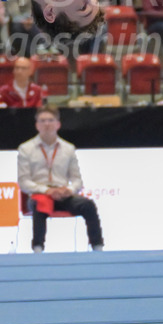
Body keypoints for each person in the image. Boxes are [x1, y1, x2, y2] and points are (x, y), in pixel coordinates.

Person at [17, 106, 104, 253]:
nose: (47, 124)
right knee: (40, 205)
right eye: (42, 121)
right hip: (40, 194)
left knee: (88, 205)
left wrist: (69, 190)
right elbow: (24, 182)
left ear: (58, 124)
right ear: (37, 125)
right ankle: (38, 248)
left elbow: (77, 180)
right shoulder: (26, 149)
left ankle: (98, 246)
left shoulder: (68, 148)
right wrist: (47, 190)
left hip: (63, 196)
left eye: (51, 120)